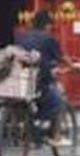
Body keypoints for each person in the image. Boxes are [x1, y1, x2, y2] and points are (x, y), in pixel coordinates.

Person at [15, 9, 71, 147]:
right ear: (47, 25)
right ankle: (56, 137)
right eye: (50, 25)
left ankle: (27, 134)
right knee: (59, 100)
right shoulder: (48, 38)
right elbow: (61, 57)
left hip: (21, 79)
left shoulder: (22, 36)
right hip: (41, 80)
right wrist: (72, 65)